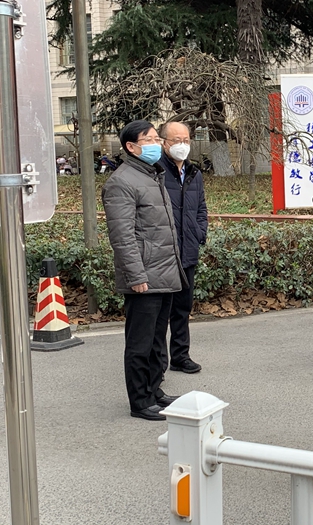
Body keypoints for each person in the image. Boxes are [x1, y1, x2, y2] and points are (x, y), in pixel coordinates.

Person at [102, 120, 184, 421]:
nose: (155, 144)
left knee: (156, 340)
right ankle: (140, 401)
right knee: (140, 343)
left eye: (155, 138)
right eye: (148, 140)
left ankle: (154, 390)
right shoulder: (122, 182)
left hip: (164, 272)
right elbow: (122, 237)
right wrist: (136, 276)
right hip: (144, 277)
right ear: (131, 147)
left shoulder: (153, 174)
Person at [159, 121, 208, 375]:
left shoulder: (193, 173)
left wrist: (199, 232)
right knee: (160, 312)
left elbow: (201, 208)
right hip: (162, 254)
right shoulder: (155, 172)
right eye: (176, 140)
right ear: (164, 143)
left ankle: (180, 356)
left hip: (187, 249)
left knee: (182, 308)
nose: (182, 145)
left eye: (186, 140)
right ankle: (157, 364)